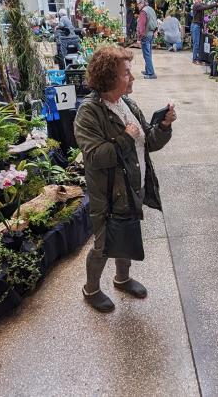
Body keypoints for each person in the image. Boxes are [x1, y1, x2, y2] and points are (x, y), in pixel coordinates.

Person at [74, 46, 177, 313]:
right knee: (103, 244)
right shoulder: (89, 113)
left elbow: (148, 142)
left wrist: (163, 126)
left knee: (127, 231)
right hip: (108, 193)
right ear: (109, 78)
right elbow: (95, 157)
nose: (132, 78)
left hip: (133, 186)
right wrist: (125, 138)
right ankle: (91, 290)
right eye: (126, 74)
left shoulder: (127, 104)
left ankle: (122, 279)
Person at [191, 0, 218, 64]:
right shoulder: (196, 5)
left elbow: (207, 5)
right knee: (196, 43)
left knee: (198, 43)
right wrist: (217, 4)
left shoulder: (200, 4)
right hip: (196, 26)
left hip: (198, 26)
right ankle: (194, 59)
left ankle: (197, 58)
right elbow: (206, 7)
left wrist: (216, 3)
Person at [136, 0, 158, 79]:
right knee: (149, 54)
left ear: (142, 2)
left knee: (146, 55)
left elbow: (141, 27)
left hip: (145, 35)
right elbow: (155, 21)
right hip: (151, 34)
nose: (137, 6)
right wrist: (155, 31)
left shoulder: (143, 12)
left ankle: (151, 73)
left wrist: (138, 39)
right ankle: (148, 69)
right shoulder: (151, 9)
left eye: (138, 4)